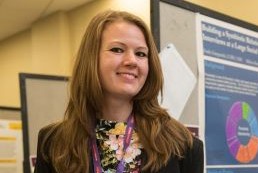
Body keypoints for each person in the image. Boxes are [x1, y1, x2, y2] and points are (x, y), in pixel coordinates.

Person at [34, 10, 203, 173]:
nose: (132, 61)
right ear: (91, 58)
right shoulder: (53, 141)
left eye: (141, 54)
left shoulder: (182, 145)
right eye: (117, 50)